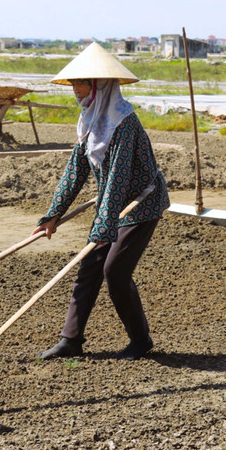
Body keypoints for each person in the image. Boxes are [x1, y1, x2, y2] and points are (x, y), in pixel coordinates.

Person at [32, 42, 170, 361]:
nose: (76, 90)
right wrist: (52, 215)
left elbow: (119, 177)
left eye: (82, 83)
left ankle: (140, 340)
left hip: (141, 203)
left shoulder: (124, 123)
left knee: (115, 269)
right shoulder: (91, 122)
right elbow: (76, 170)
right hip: (113, 204)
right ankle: (71, 340)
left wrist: (103, 227)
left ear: (100, 85)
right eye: (75, 83)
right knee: (90, 266)